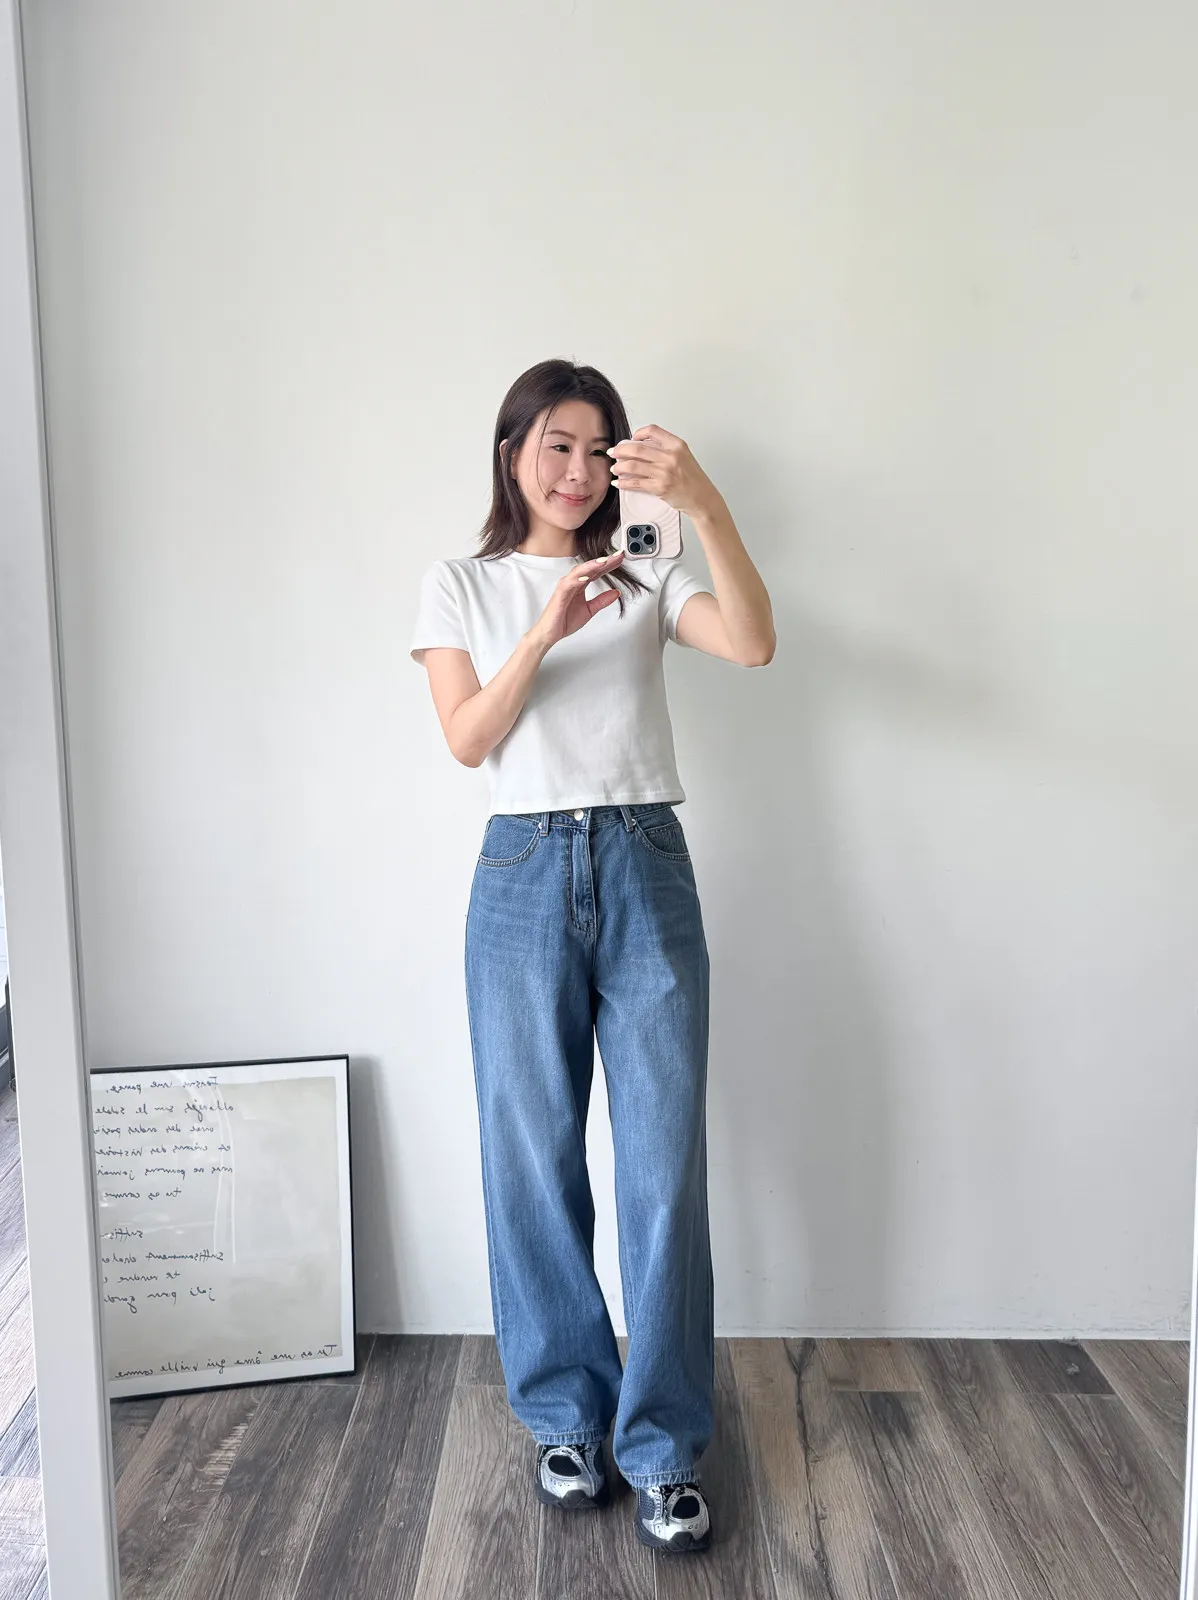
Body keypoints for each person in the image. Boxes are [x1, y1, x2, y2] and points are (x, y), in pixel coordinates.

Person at [409, 357, 775, 1555]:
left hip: (644, 859)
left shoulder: (648, 563)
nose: (574, 471)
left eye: (595, 449)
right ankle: (566, 1417)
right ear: (511, 453)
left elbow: (755, 644)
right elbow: (468, 738)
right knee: (531, 1156)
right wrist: (548, 629)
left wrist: (702, 502)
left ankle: (663, 1446)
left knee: (661, 1165)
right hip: (519, 871)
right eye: (553, 446)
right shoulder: (460, 583)